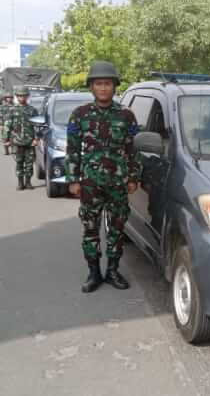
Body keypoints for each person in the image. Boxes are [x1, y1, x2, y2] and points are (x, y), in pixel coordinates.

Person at [66, 61, 140, 293]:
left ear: (115, 87)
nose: (103, 88)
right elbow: (72, 149)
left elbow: (133, 149)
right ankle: (94, 273)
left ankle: (113, 271)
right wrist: (73, 180)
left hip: (118, 184)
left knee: (117, 230)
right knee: (90, 229)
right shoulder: (79, 115)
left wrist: (133, 177)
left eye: (108, 83)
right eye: (99, 83)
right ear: (91, 87)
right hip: (90, 184)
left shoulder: (126, 115)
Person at [2, 86, 39, 190]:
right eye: (20, 96)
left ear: (27, 96)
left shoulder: (32, 110)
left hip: (29, 142)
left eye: (24, 95)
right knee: (19, 162)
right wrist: (6, 140)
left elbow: (37, 126)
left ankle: (28, 182)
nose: (22, 98)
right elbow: (7, 125)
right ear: (17, 97)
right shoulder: (12, 110)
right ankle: (20, 183)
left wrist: (36, 139)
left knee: (29, 163)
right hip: (17, 142)